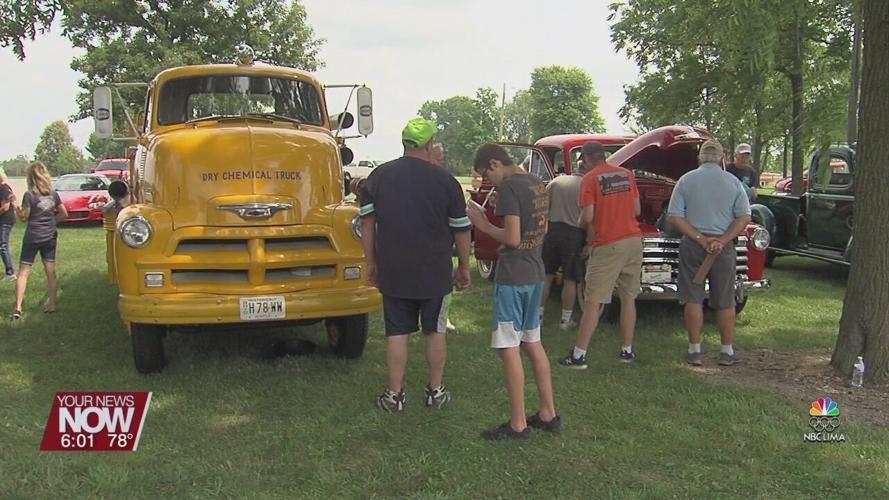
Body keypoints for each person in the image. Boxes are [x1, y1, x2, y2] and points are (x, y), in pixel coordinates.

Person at [360, 118, 472, 413]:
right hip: (434, 271)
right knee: (435, 331)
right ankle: (435, 391)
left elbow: (367, 224)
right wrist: (463, 266)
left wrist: (371, 262)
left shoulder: (379, 176)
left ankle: (394, 396)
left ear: (404, 142)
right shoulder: (446, 181)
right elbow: (461, 229)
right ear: (429, 144)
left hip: (394, 269)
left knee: (396, 332)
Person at [466, 143, 560, 440]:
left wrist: (482, 224)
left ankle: (518, 424)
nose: (487, 182)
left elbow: (513, 238)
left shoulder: (509, 188)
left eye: (485, 174)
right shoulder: (535, 182)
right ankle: (548, 413)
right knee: (533, 342)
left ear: (494, 163)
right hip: (534, 273)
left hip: (513, 276)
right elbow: (540, 230)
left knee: (509, 348)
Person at [666, 139, 751, 366]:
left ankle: (695, 350)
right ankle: (727, 351)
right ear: (722, 158)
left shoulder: (686, 180)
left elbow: (674, 216)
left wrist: (700, 239)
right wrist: (722, 240)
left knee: (693, 297)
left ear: (700, 158)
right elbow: (744, 216)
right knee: (725, 299)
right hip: (722, 248)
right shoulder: (733, 182)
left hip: (694, 245)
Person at [560, 142, 643, 368]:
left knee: (593, 301)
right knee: (628, 298)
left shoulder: (589, 179)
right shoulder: (627, 175)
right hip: (634, 241)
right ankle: (627, 351)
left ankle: (578, 356)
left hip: (608, 244)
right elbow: (637, 210)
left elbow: (587, 216)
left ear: (586, 158)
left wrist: (580, 222)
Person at [539, 153, 589, 330]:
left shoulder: (556, 182)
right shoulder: (587, 186)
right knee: (570, 278)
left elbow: (543, 207)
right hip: (574, 234)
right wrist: (589, 242)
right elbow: (588, 217)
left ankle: (538, 315)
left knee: (546, 275)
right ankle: (565, 320)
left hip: (552, 230)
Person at [13, 161, 68, 319]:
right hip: (50, 237)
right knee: (50, 271)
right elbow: (64, 213)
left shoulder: (29, 195)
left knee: (23, 272)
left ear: (30, 177)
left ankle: (18, 307)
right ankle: (52, 305)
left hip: (33, 237)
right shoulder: (53, 194)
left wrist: (17, 210)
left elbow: (24, 218)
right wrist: (52, 223)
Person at [428, 142, 457, 333]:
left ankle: (442, 317)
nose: (442, 162)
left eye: (443, 158)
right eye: (439, 158)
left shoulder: (446, 181)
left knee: (443, 285)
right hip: (425, 244)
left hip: (440, 245)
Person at [0, 167, 17, 281]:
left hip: (5, 220)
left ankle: (10, 273)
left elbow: (5, 207)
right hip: (4, 219)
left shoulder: (4, 188)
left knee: (3, 245)